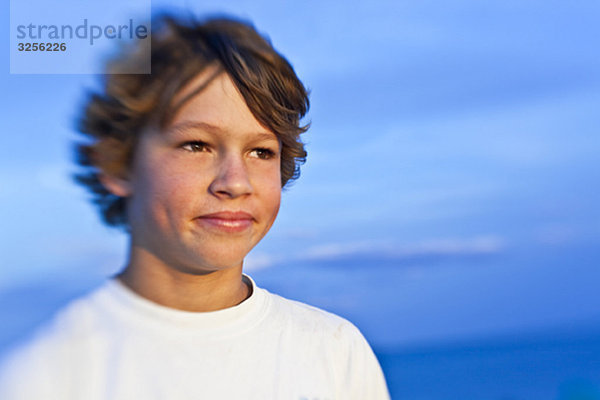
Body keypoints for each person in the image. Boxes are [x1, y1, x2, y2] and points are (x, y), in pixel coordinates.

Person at [0, 13, 390, 400]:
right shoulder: (47, 377)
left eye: (260, 151)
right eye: (196, 146)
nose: (235, 182)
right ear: (117, 164)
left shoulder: (336, 353)